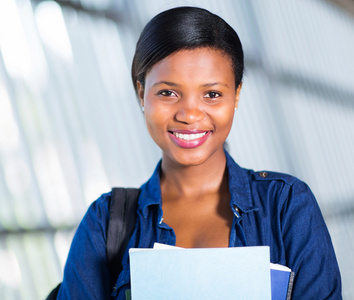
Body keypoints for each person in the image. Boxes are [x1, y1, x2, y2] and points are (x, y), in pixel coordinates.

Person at [55, 6, 342, 299]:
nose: (190, 115)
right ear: (141, 93)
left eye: (212, 94)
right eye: (168, 92)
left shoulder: (286, 206)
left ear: (237, 95)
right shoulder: (106, 225)